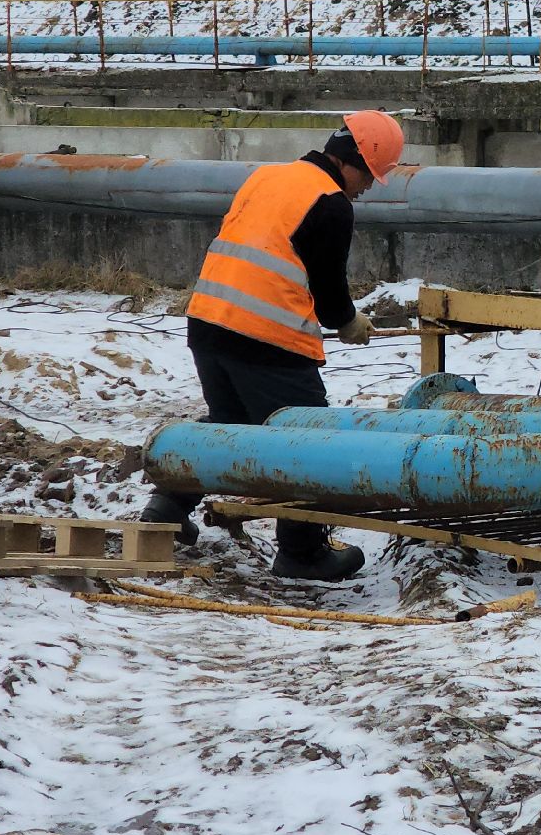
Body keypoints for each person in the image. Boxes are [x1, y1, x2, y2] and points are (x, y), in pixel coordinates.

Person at [140, 111, 404, 580]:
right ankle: (303, 554)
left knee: (232, 423)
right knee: (308, 441)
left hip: (208, 322)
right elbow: (328, 297)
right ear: (352, 162)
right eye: (369, 176)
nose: (367, 187)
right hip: (266, 339)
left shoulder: (269, 177)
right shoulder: (331, 204)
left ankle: (168, 504)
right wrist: (349, 322)